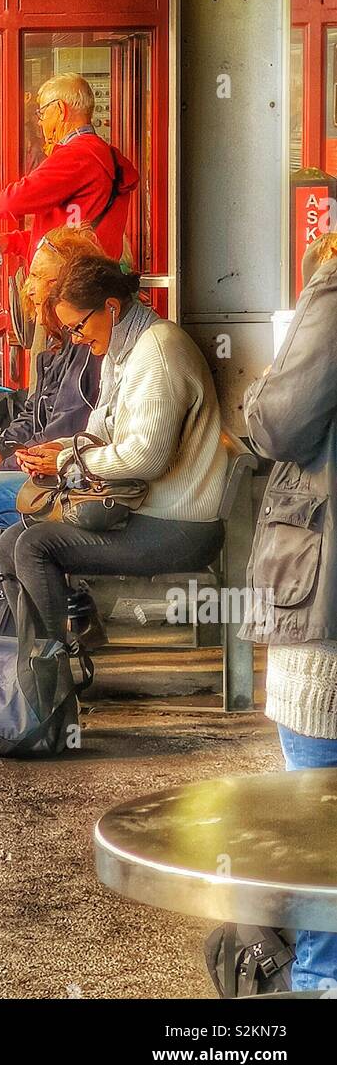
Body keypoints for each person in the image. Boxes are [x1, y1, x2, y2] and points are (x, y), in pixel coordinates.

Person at [0, 248, 228, 641]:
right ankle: (66, 645)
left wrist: (70, 463)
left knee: (34, 547)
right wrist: (62, 450)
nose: (76, 337)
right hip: (148, 512)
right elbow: (101, 429)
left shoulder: (158, 352)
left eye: (78, 326)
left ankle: (46, 678)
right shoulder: (122, 349)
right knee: (10, 541)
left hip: (180, 526)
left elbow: (146, 457)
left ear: (111, 308)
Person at [241, 230, 337, 993]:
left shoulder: (333, 292)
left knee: (316, 815)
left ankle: (317, 982)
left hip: (325, 605)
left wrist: (263, 380)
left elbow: (275, 421)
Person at [0, 228, 102, 535]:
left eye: (37, 275)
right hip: (40, 461)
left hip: (68, 474)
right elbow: (32, 411)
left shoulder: (88, 346)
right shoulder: (58, 341)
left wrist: (6, 461)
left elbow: (63, 430)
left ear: (65, 284)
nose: (29, 287)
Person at [0, 73, 138, 266]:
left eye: (42, 113)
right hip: (85, 276)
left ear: (60, 109)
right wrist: (8, 242)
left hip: (69, 284)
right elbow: (59, 237)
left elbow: (25, 193)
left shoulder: (78, 155)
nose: (39, 122)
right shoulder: (101, 154)